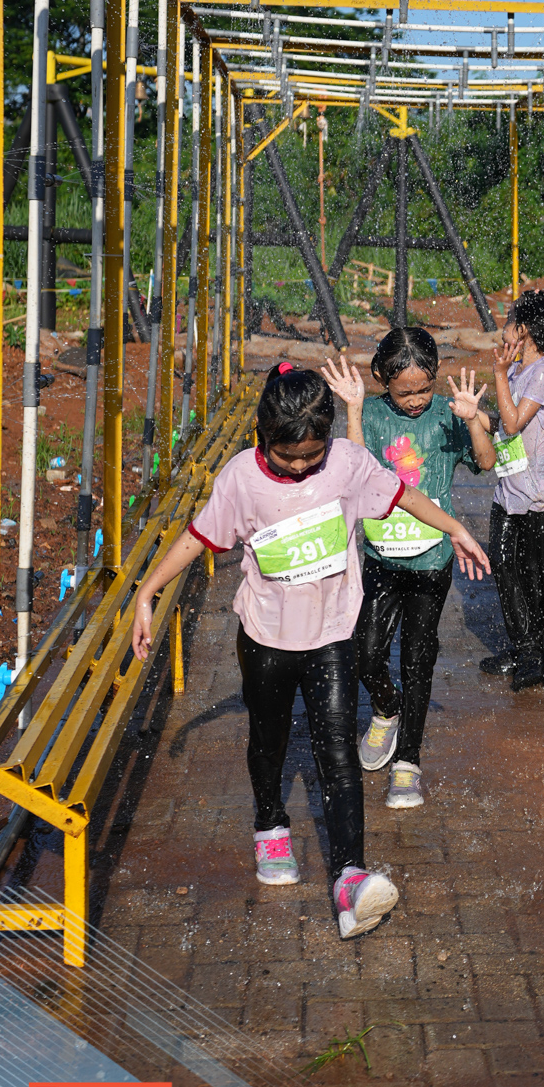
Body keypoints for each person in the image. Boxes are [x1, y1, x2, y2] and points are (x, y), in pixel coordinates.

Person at [130, 363, 489, 939]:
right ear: (262, 437)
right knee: (268, 741)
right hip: (267, 641)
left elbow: (402, 495)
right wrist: (147, 592)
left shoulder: (346, 464)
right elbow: (199, 537)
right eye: (286, 456)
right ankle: (270, 825)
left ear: (327, 438)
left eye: (309, 455)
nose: (298, 466)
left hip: (332, 636)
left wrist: (456, 529)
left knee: (338, 753)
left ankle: (350, 877)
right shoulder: (241, 479)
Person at [323, 333, 495, 813]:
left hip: (432, 561)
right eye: (405, 393)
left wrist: (472, 421)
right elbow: (355, 471)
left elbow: (485, 462)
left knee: (418, 659)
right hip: (381, 558)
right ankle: (387, 709)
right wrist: (354, 410)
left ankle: (408, 762)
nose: (416, 400)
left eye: (424, 389)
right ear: (382, 379)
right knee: (364, 653)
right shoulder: (373, 415)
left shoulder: (447, 413)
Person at [481, 288, 544, 693]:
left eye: (510, 320)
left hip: (538, 485)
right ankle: (523, 648)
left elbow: (514, 423)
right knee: (502, 562)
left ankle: (531, 654)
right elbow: (502, 422)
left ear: (526, 330)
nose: (503, 327)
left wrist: (499, 374)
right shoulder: (517, 369)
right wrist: (470, 412)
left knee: (533, 571)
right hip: (510, 481)